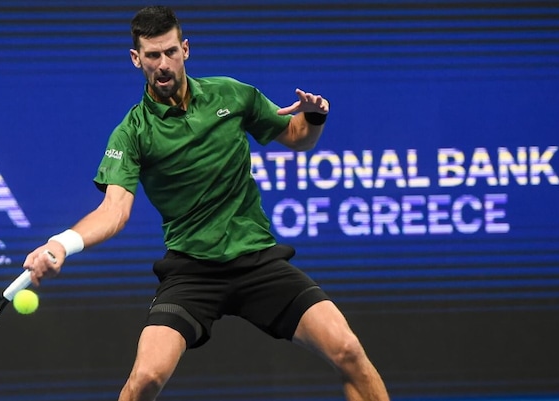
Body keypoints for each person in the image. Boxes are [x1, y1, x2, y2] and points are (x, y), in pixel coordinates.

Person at [23, 5, 389, 401]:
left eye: (170, 52)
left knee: (348, 350)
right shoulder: (132, 133)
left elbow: (298, 136)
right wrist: (61, 243)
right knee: (145, 378)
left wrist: (315, 117)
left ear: (185, 49)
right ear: (136, 59)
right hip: (191, 272)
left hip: (257, 261)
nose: (163, 64)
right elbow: (114, 211)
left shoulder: (232, 94)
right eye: (152, 55)